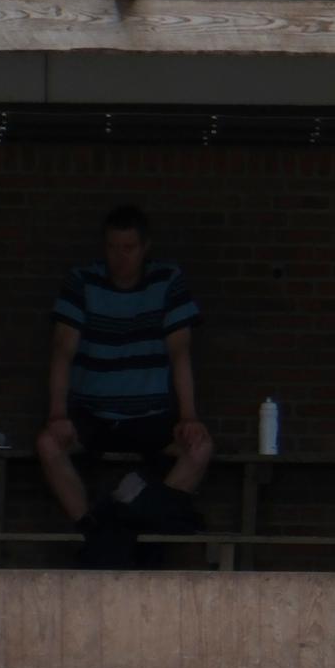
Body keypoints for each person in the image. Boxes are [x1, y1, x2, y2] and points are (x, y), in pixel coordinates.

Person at [37, 203, 212, 541]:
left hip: (150, 415)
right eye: (112, 248)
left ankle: (126, 515)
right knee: (48, 444)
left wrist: (189, 416)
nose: (120, 257)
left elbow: (180, 350)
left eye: (129, 248)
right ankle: (95, 526)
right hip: (93, 413)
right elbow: (62, 350)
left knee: (200, 448)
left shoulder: (166, 279)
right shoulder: (83, 281)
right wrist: (57, 413)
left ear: (145, 247)